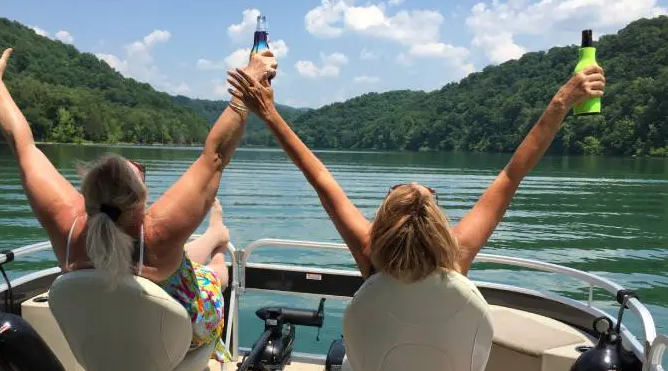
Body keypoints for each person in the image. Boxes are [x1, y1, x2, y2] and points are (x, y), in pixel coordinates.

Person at [0, 29, 277, 362]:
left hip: (102, 349)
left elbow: (22, 146)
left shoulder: (68, 227)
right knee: (212, 276)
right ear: (142, 200)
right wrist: (247, 88)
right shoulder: (157, 233)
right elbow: (215, 156)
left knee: (183, 258)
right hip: (173, 345)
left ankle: (213, 236)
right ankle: (219, 247)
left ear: (85, 195)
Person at [226, 64, 605, 281]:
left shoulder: (370, 251)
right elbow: (512, 174)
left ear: (384, 219)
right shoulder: (455, 255)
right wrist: (560, 102)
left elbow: (319, 177)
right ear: (438, 220)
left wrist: (270, 114)